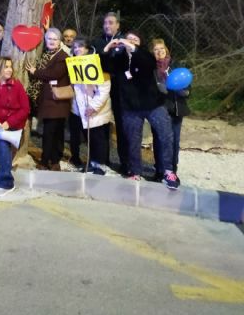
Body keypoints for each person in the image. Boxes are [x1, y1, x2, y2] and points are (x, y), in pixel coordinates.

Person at [102, 31, 179, 190]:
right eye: (128, 39)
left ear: (139, 43)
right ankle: (134, 171)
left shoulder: (146, 57)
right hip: (130, 107)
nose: (130, 41)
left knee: (165, 136)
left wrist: (132, 47)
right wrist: (108, 47)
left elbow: (147, 63)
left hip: (153, 105)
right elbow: (104, 65)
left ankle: (167, 171)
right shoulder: (120, 59)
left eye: (134, 40)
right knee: (132, 140)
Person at [0, 57, 30, 196]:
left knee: (3, 144)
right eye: (6, 67)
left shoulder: (17, 85)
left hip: (11, 125)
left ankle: (6, 182)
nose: (9, 70)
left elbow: (25, 109)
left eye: (10, 67)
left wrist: (9, 123)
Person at [26, 28, 72, 170]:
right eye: (49, 39)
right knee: (53, 132)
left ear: (59, 42)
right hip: (48, 100)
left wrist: (35, 72)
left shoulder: (63, 56)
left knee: (52, 133)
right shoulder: (46, 55)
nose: (51, 41)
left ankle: (47, 161)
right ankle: (53, 160)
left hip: (57, 101)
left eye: (55, 39)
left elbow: (54, 74)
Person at [150, 38, 191, 182]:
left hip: (175, 109)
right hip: (158, 110)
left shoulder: (175, 66)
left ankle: (172, 170)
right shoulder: (151, 68)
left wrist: (183, 91)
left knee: (174, 140)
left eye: (162, 49)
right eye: (156, 49)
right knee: (158, 140)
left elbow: (187, 86)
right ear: (152, 53)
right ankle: (159, 170)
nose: (159, 52)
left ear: (166, 50)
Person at [70, 37, 112, 174]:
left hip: (96, 108)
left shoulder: (97, 62)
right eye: (75, 47)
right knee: (89, 138)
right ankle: (91, 162)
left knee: (98, 138)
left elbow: (105, 87)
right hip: (82, 108)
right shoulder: (74, 63)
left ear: (87, 48)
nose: (77, 49)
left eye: (80, 46)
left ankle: (100, 164)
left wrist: (94, 106)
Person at [92, 11, 127, 173]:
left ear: (118, 25)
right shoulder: (97, 42)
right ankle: (101, 159)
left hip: (120, 89)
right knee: (101, 123)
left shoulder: (125, 42)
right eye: (105, 22)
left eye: (111, 22)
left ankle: (125, 163)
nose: (107, 25)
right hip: (102, 88)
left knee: (122, 125)